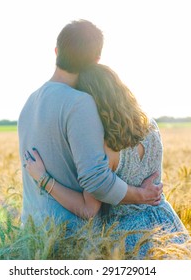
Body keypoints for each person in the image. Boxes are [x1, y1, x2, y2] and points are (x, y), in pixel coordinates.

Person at [24, 64, 189, 258]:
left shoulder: (105, 148)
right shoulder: (151, 126)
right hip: (168, 225)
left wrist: (43, 179)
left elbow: (88, 210)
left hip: (128, 237)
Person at [18, 20, 162, 229]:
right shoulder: (79, 103)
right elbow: (97, 182)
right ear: (96, 59)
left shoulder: (29, 101)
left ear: (57, 51)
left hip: (33, 231)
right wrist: (141, 195)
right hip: (70, 236)